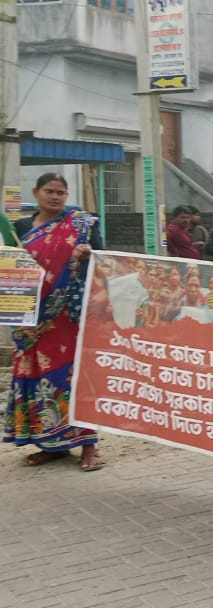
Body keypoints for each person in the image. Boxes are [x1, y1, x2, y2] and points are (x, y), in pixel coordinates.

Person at [3, 173, 106, 471]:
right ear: (36, 192)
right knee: (37, 378)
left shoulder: (81, 225)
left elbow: (102, 262)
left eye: (61, 192)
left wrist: (84, 256)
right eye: (49, 191)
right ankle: (50, 445)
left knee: (72, 378)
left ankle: (89, 445)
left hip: (67, 316)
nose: (55, 196)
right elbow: (12, 265)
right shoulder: (21, 228)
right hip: (31, 317)